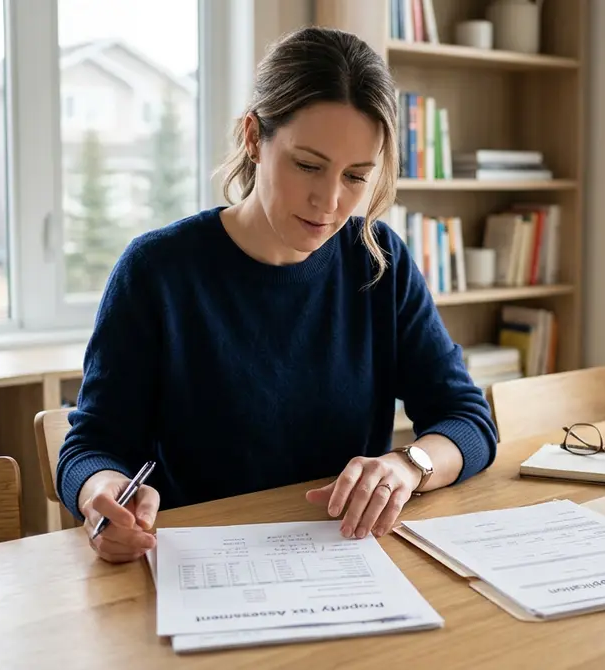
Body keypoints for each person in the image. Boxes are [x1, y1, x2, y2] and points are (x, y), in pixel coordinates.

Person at [56, 26, 499, 564]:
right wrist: (102, 496)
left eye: (356, 176)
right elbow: (92, 447)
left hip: (342, 563)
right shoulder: (157, 271)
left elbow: (468, 420)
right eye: (308, 165)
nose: (330, 202)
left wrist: (409, 466)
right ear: (253, 138)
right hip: (198, 569)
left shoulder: (378, 261)